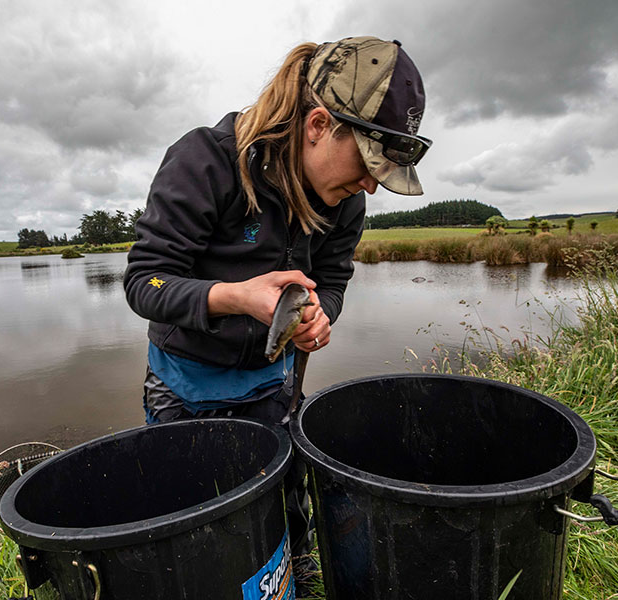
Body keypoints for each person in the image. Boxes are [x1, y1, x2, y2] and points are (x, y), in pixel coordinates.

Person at [123, 35, 431, 594]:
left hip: (275, 385)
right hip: (183, 387)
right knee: (199, 519)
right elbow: (146, 281)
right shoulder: (206, 161)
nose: (368, 184)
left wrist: (320, 317)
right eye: (366, 162)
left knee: (284, 497)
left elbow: (333, 280)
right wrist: (235, 296)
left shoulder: (345, 198)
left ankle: (295, 566)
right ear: (317, 125)